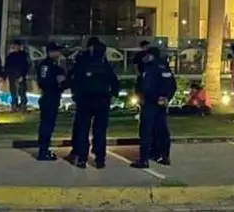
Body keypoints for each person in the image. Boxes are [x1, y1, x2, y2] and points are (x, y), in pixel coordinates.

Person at [69, 38, 120, 169]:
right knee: (100, 130)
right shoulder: (103, 61)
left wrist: (76, 95)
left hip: (85, 100)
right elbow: (114, 80)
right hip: (102, 100)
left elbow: (75, 79)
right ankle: (100, 158)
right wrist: (113, 94)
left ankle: (82, 157)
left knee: (83, 129)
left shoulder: (83, 60)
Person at [131, 47, 177, 169]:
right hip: (162, 105)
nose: (145, 58)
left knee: (146, 132)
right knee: (162, 131)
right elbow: (173, 85)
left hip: (150, 104)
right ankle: (164, 156)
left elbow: (147, 87)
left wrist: (154, 98)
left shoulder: (150, 68)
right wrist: (166, 98)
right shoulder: (165, 68)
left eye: (146, 55)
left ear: (151, 56)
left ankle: (144, 160)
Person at [36, 42, 67, 161]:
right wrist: (60, 84)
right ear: (51, 52)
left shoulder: (46, 65)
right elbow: (49, 82)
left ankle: (44, 149)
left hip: (48, 96)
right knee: (47, 125)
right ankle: (43, 151)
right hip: (50, 97)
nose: (59, 53)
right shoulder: (50, 66)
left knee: (46, 124)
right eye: (57, 51)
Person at [4, 40, 30, 112]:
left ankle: (20, 106)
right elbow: (7, 67)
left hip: (17, 75)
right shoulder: (12, 56)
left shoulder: (21, 56)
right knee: (15, 92)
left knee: (20, 92)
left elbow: (25, 66)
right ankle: (16, 106)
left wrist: (22, 75)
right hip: (13, 76)